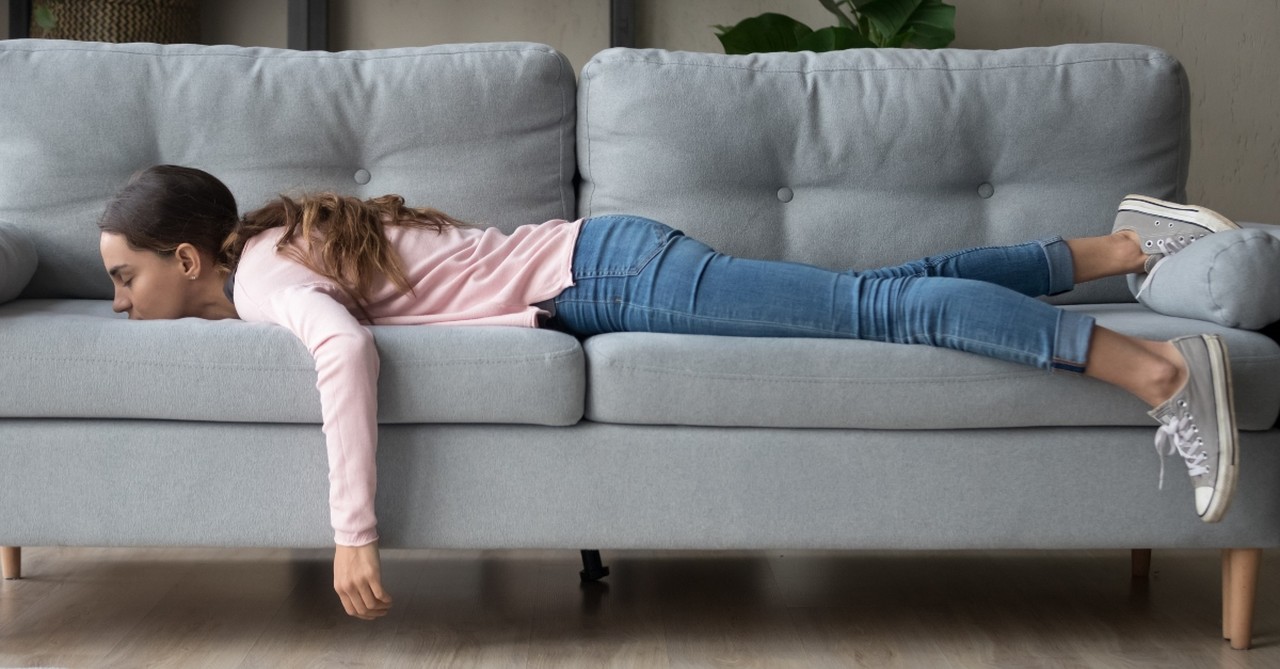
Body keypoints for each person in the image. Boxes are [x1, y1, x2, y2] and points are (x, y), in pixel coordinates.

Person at [97, 165, 1241, 620]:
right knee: (868, 291)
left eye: (123, 276)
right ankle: (1119, 250)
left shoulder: (257, 281)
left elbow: (343, 355)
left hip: (608, 273)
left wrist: (354, 534)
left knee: (874, 314)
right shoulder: (262, 253)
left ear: (189, 260)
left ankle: (1158, 373)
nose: (115, 300)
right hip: (605, 265)